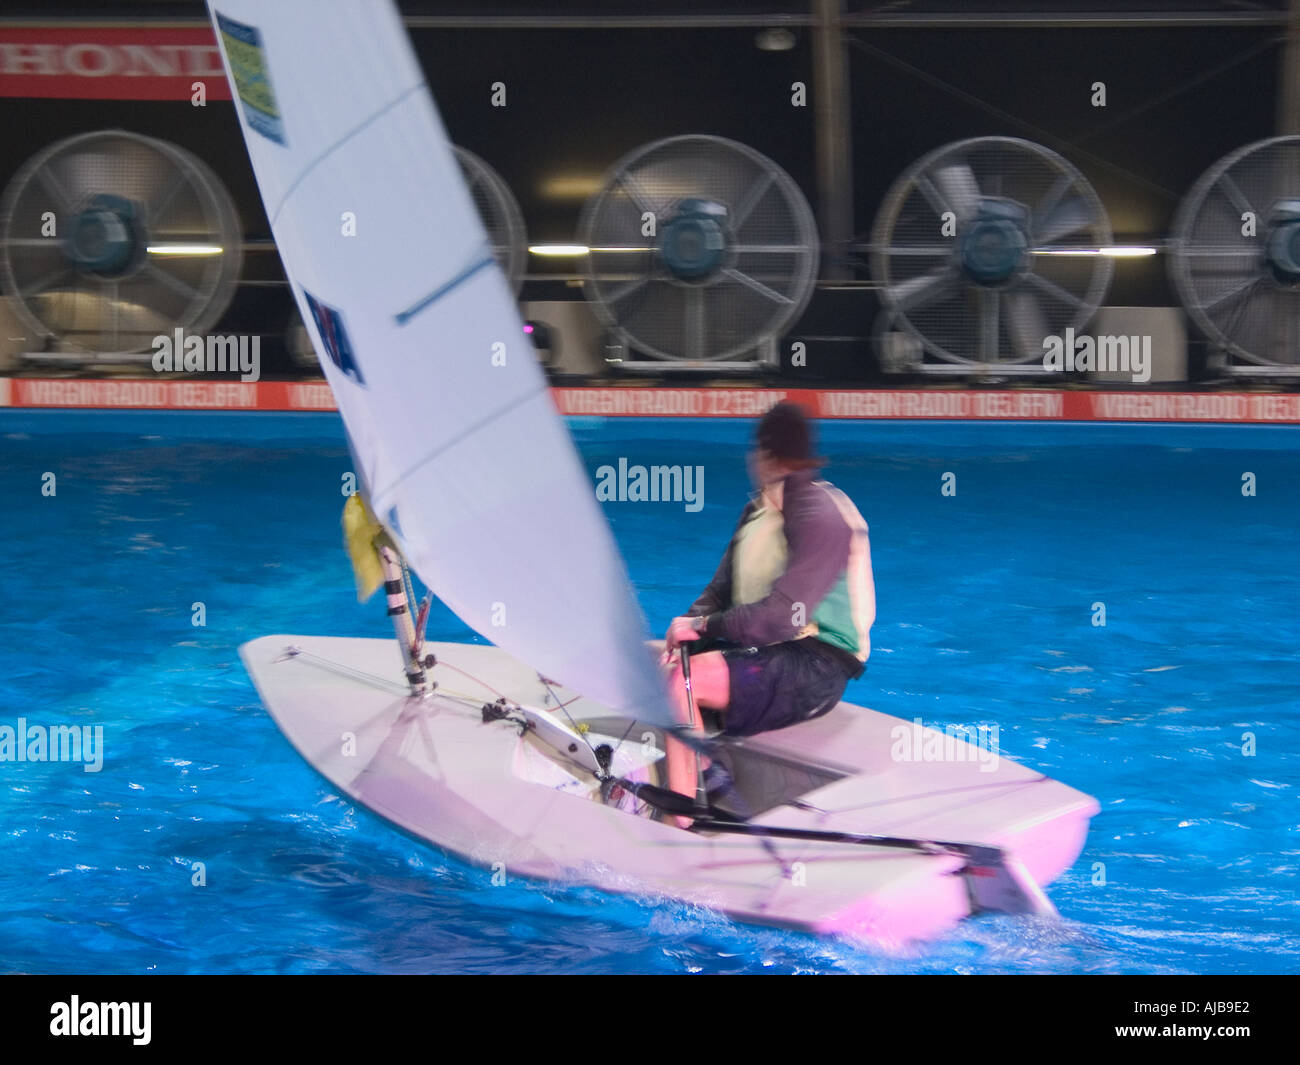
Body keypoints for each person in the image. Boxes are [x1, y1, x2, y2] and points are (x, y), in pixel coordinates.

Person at [661, 401, 875, 821]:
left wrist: (703, 626)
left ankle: (681, 820)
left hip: (819, 667)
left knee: (682, 683)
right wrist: (688, 630)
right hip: (772, 650)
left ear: (764, 456)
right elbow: (719, 592)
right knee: (668, 663)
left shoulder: (820, 514)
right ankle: (709, 770)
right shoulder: (759, 509)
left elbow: (782, 618)